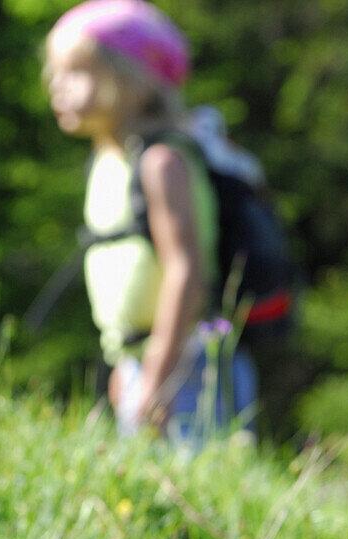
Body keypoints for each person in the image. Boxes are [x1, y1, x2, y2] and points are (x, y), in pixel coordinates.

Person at [44, 0, 258, 443]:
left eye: (77, 72)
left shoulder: (163, 162)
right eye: (54, 72)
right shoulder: (108, 161)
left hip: (191, 365)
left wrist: (159, 374)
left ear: (136, 82)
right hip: (143, 359)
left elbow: (187, 271)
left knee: (193, 488)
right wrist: (128, 365)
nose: (56, 86)